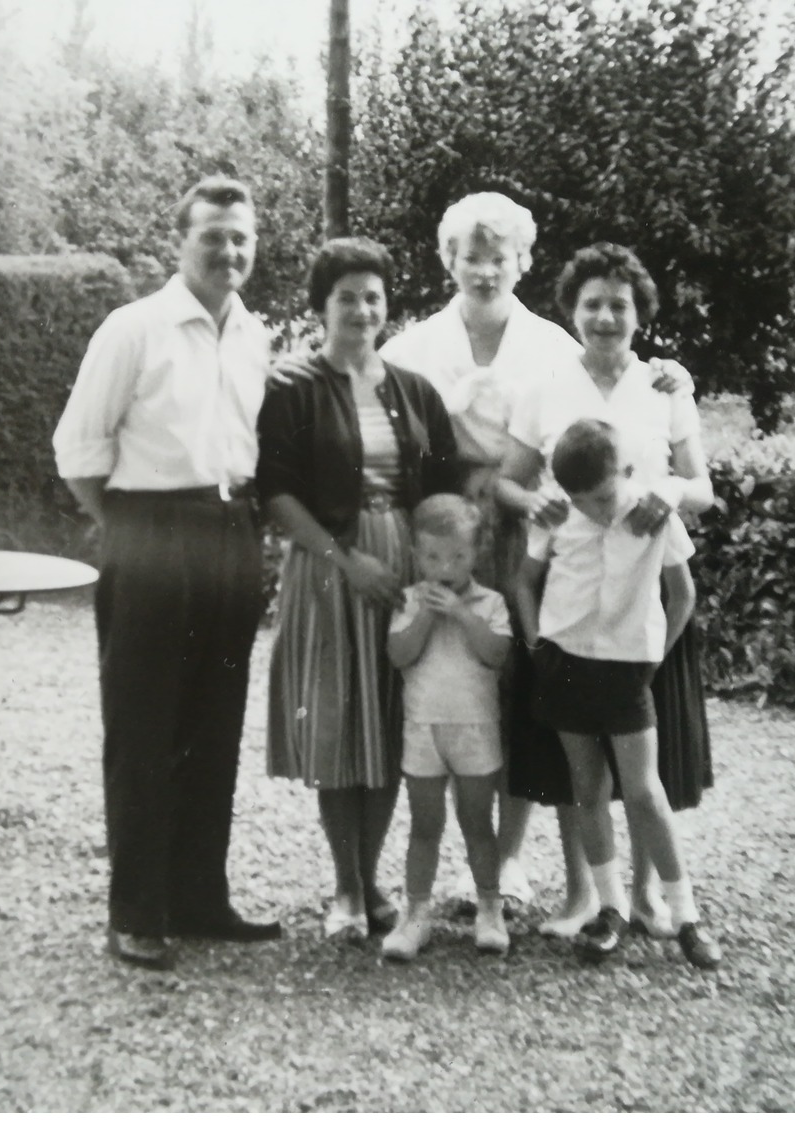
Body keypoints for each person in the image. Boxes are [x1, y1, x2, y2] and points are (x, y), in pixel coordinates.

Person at [374, 193, 693, 913]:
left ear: (522, 260)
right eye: (470, 255)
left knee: (529, 692)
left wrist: (674, 376)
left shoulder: (553, 344)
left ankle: (517, 864)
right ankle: (466, 867)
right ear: (448, 258)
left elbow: (620, 389)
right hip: (451, 526)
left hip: (540, 528)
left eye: (500, 255)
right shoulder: (411, 348)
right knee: (454, 684)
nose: (485, 270)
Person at [52, 175, 280, 972]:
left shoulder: (256, 337)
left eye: (241, 238)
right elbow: (78, 449)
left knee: (214, 725)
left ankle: (199, 897)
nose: (229, 251)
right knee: (144, 727)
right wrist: (131, 531)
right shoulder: (134, 328)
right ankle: (138, 910)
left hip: (231, 533)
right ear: (180, 242)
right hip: (150, 529)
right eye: (213, 236)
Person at [502, 241, 716, 939]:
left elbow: (703, 488)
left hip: (645, 602)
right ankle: (590, 898)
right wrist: (530, 504)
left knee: (647, 770)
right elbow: (507, 479)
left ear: (638, 313)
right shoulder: (543, 388)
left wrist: (668, 492)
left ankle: (653, 897)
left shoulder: (665, 386)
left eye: (618, 305)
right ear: (572, 309)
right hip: (571, 599)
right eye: (591, 303)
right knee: (583, 767)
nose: (604, 316)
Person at [256, 237, 461, 942]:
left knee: (389, 725)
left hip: (401, 568)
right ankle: (347, 888)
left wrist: (433, 575)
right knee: (341, 728)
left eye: (373, 296)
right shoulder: (291, 387)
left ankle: (370, 880)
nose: (362, 308)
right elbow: (275, 493)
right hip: (328, 570)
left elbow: (443, 490)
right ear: (322, 305)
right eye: (347, 296)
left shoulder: (414, 389)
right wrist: (345, 560)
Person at [514, 419, 722, 970]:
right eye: (584, 501)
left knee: (645, 792)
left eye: (604, 496)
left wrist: (653, 658)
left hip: (628, 669)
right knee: (586, 788)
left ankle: (685, 916)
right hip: (565, 663)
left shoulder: (656, 515)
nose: (598, 510)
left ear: (627, 473)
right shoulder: (560, 517)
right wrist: (539, 645)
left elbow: (682, 594)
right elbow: (522, 581)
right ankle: (609, 909)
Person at [382, 494, 513, 961]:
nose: (446, 567)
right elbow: (399, 655)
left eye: (458, 556)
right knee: (424, 824)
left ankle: (490, 909)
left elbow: (496, 653)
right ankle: (415, 915)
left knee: (478, 823)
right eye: (434, 557)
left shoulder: (491, 603)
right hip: (423, 729)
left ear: (475, 555)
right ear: (418, 556)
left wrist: (460, 613)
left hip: (476, 730)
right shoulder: (410, 600)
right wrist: (424, 616)